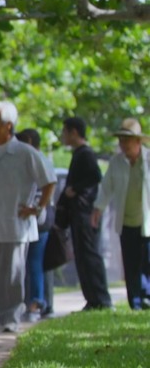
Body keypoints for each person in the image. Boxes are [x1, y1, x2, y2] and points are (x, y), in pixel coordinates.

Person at [0, 101, 56, 333]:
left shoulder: (25, 153)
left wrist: (37, 207)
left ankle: (9, 318)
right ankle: (7, 310)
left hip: (14, 223)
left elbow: (49, 181)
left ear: (9, 126)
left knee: (11, 275)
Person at [92, 118, 150, 311]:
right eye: (121, 140)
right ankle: (135, 302)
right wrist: (98, 208)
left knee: (147, 262)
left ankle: (147, 297)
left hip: (147, 222)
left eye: (127, 140)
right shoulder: (116, 163)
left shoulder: (148, 160)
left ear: (138, 141)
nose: (123, 144)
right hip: (126, 221)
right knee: (131, 264)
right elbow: (106, 187)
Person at [59, 117, 113, 311]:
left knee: (90, 255)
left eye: (65, 131)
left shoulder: (86, 154)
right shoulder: (78, 154)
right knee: (82, 256)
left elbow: (95, 177)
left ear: (74, 132)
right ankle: (92, 299)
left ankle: (101, 299)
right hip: (77, 214)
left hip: (85, 214)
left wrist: (75, 189)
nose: (63, 136)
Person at [15, 128, 55, 322]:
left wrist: (36, 208)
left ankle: (35, 304)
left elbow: (49, 185)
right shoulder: (36, 160)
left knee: (34, 263)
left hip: (39, 222)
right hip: (32, 220)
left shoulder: (37, 160)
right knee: (33, 264)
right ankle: (39, 303)